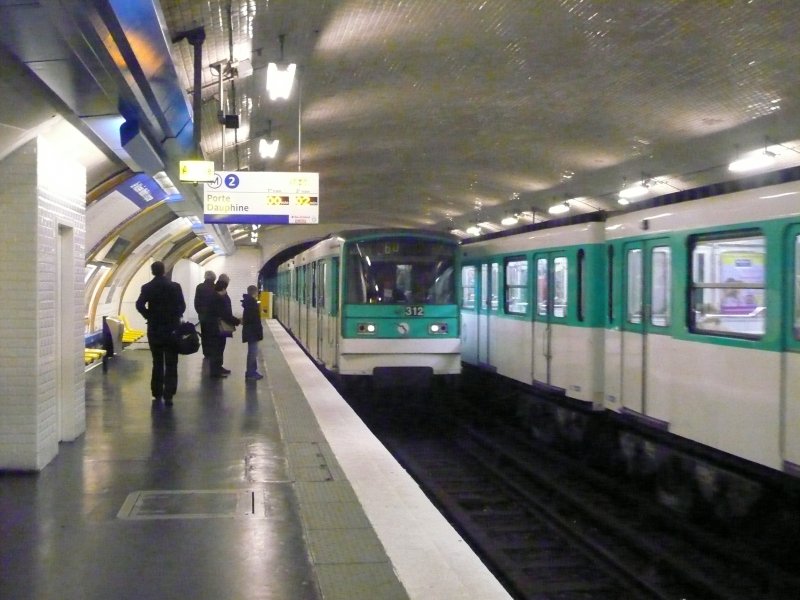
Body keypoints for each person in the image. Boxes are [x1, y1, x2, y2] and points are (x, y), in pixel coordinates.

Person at [135, 261, 186, 406]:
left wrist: (149, 316)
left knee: (157, 361)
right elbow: (182, 306)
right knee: (171, 362)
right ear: (164, 271)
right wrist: (175, 316)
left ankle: (156, 392)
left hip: (155, 329)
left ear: (152, 272)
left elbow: (139, 304)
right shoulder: (175, 286)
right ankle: (169, 394)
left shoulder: (147, 287)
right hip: (172, 329)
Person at [206, 275, 240, 378]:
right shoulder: (218, 299)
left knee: (219, 348)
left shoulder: (214, 296)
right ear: (223, 289)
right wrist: (237, 321)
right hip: (216, 328)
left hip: (215, 328)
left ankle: (218, 368)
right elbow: (224, 314)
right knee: (217, 349)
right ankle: (215, 371)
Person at [241, 285, 264, 380]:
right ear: (255, 292)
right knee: (253, 353)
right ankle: (250, 373)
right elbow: (253, 319)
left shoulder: (249, 302)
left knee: (253, 352)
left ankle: (252, 371)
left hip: (250, 331)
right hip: (252, 332)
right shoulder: (252, 304)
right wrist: (258, 332)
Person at [193, 270, 216, 358]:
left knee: (205, 334)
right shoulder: (216, 287)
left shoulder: (199, 287)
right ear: (214, 278)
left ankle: (206, 352)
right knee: (213, 334)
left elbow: (196, 302)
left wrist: (199, 312)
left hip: (203, 315)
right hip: (213, 316)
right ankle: (213, 351)